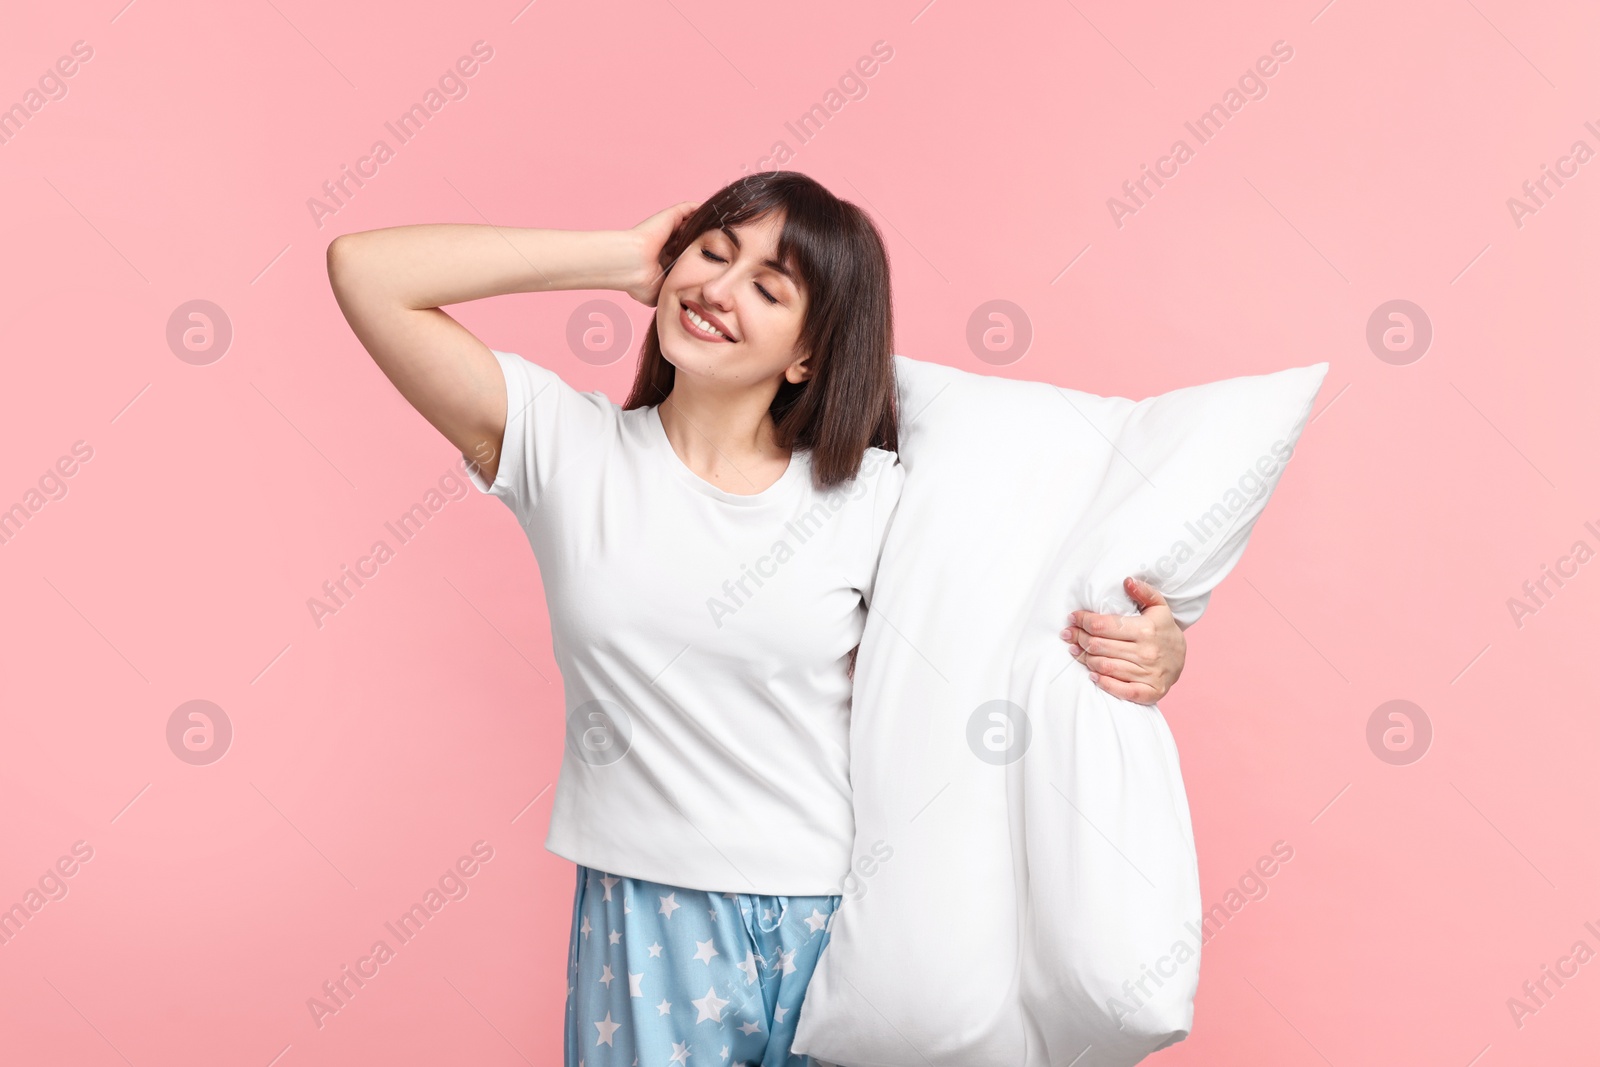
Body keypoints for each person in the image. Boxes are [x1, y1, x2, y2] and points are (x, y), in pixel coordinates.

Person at [326, 171, 1189, 1067]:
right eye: (712, 253)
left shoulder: (873, 496)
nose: (720, 291)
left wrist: (1160, 646)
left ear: (806, 357)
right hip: (647, 913)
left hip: (848, 922)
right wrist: (624, 256)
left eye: (769, 288)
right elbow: (366, 271)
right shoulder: (564, 448)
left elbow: (1013, 629)